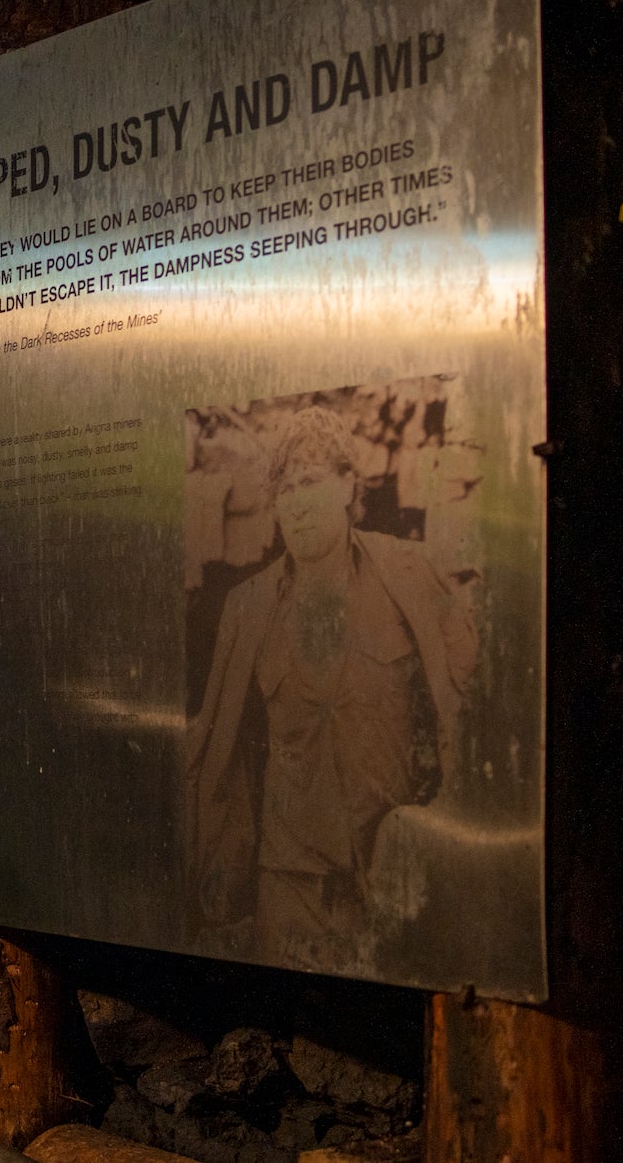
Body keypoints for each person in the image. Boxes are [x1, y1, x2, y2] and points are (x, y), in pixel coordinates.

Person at [185, 406, 476, 969]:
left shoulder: (409, 574)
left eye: (311, 483)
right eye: (285, 490)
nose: (296, 504)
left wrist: (439, 830)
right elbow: (220, 750)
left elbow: (467, 706)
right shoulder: (246, 607)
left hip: (393, 874)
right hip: (289, 884)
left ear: (347, 485)